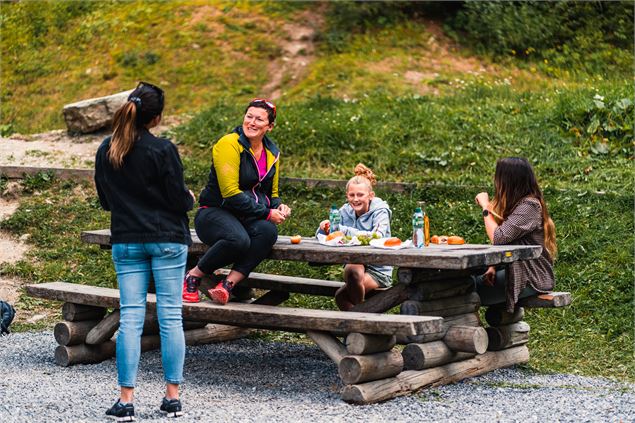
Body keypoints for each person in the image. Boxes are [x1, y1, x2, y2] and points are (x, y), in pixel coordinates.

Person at [95, 82, 194, 421]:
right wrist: (190, 199)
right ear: (157, 118)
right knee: (170, 317)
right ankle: (172, 397)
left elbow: (106, 201)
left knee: (131, 319)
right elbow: (179, 199)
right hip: (167, 239)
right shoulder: (163, 150)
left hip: (127, 240)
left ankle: (125, 400)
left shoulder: (107, 149)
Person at [183, 98, 291, 305]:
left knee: (268, 232)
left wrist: (278, 206)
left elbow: (271, 192)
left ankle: (227, 285)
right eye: (249, 116)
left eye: (259, 119)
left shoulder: (272, 153)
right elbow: (230, 193)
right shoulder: (229, 143)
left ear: (270, 126)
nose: (252, 122)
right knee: (238, 240)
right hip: (214, 212)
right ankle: (193, 275)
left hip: (246, 215)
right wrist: (267, 213)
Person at [474, 157, 557, 312]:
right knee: (465, 283)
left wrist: (486, 207)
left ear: (508, 180)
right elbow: (509, 240)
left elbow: (498, 237)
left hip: (531, 277)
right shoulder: (518, 204)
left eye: (498, 177)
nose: (495, 182)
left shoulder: (529, 206)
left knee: (468, 288)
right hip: (516, 271)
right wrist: (493, 266)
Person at [316, 164, 393, 311]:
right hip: (355, 263)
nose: (355, 199)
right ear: (347, 196)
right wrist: (324, 228)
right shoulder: (345, 210)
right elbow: (332, 233)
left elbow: (377, 236)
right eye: (352, 195)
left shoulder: (380, 211)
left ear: (371, 196)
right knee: (352, 269)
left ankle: (362, 321)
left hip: (378, 268)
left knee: (341, 297)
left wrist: (343, 230)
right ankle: (365, 321)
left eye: (360, 195)